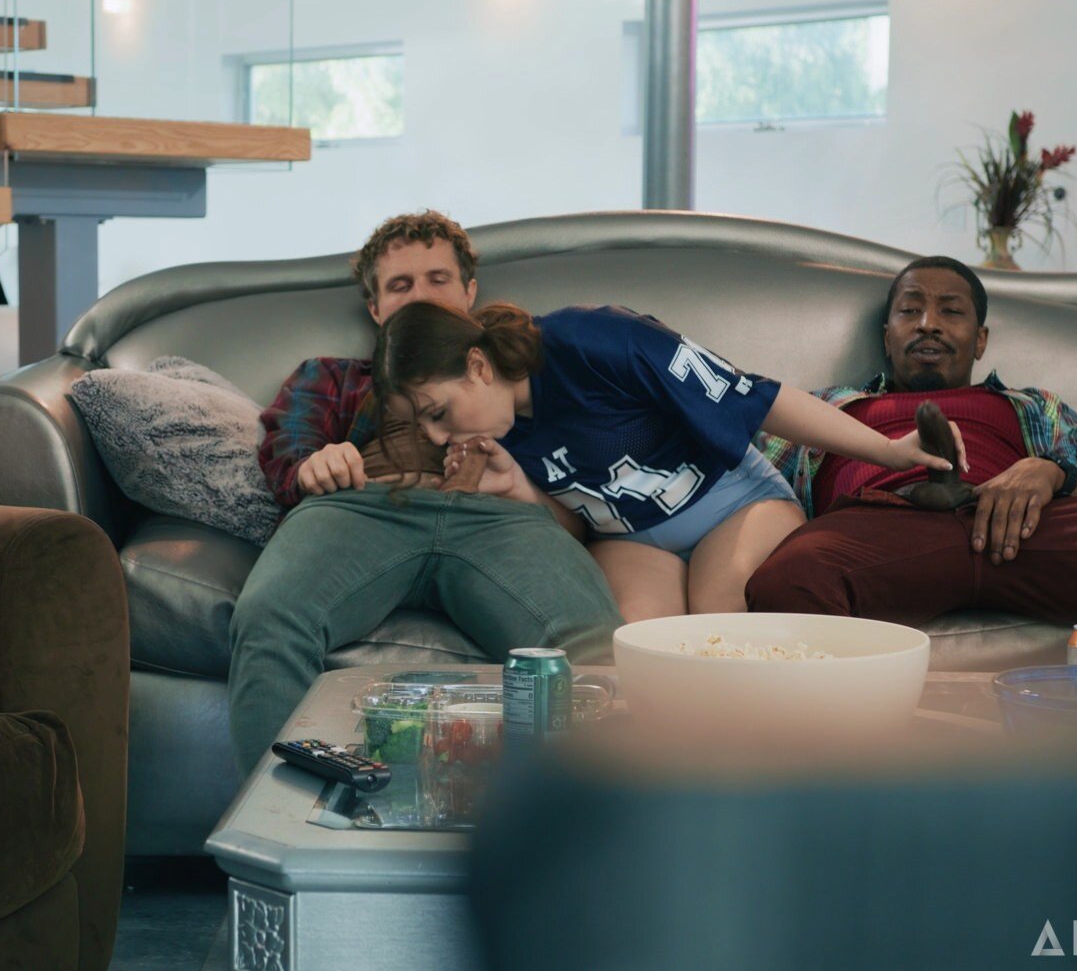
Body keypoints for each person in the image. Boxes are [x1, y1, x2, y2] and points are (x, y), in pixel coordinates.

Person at [746, 255, 1077, 726]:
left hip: (1028, 525)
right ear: (887, 336)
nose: (929, 324)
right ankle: (840, 785)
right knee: (787, 581)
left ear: (980, 339)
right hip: (882, 529)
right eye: (910, 311)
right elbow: (756, 486)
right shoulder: (827, 408)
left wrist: (1052, 473)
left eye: (951, 311)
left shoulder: (1033, 404)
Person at [228, 211, 623, 771]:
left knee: (595, 648)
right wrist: (315, 464)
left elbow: (587, 495)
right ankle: (277, 817)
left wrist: (521, 488)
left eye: (438, 279)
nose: (420, 296)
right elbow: (286, 449)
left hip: (497, 522)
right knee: (269, 618)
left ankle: (583, 815)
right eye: (400, 285)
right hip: (363, 511)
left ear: (469, 292)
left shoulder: (519, 381)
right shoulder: (333, 376)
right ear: (375, 308)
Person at [370, 301, 959, 621]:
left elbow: (754, 396)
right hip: (630, 541)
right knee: (638, 652)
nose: (437, 436)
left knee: (717, 619)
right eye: (423, 426)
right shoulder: (496, 432)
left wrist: (889, 450)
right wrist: (518, 492)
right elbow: (578, 524)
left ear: (477, 366)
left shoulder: (591, 340)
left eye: (438, 413)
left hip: (736, 504)